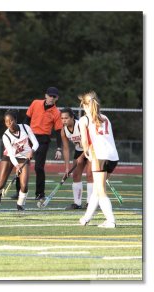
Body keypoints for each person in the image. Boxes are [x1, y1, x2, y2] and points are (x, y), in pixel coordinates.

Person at [78, 91, 119, 228]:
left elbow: (84, 140)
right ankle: (86, 218)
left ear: (84, 105)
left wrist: (86, 152)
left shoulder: (84, 120)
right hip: (113, 156)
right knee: (97, 188)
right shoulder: (105, 117)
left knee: (101, 191)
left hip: (99, 155)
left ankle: (110, 220)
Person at [18, 87, 63, 203]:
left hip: (43, 140)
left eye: (54, 96)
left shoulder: (57, 112)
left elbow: (58, 131)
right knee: (22, 165)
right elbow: (26, 120)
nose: (51, 98)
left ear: (57, 98)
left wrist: (59, 148)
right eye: (50, 95)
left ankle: (40, 193)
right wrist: (21, 136)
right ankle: (20, 191)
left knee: (39, 167)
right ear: (45, 95)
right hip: (30, 137)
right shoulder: (35, 103)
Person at [0, 110, 39, 210]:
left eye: (11, 120)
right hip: (10, 157)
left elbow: (36, 143)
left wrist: (32, 151)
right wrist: (17, 166)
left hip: (24, 157)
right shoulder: (5, 136)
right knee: (1, 184)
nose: (9, 124)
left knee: (24, 185)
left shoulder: (25, 128)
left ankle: (20, 204)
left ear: (16, 120)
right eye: (6, 122)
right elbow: (10, 153)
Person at [60, 107, 93, 210]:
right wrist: (66, 168)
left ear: (72, 117)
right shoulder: (64, 130)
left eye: (66, 118)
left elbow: (90, 142)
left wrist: (82, 157)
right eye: (62, 118)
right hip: (79, 150)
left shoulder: (80, 125)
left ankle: (90, 203)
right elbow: (66, 149)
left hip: (91, 149)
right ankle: (77, 203)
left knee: (89, 175)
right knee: (75, 175)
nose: (64, 120)